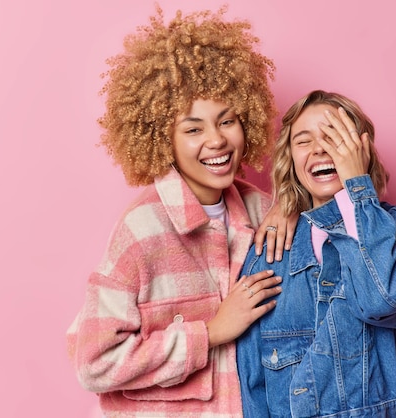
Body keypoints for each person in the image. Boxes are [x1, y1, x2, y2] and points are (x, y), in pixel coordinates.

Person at [66, 6, 288, 417]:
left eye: (228, 121)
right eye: (193, 129)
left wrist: (290, 206)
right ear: (160, 138)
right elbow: (93, 363)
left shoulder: (265, 211)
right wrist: (211, 332)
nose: (217, 141)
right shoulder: (141, 229)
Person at [236, 90, 396, 417]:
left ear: (361, 149)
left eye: (335, 137)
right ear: (290, 159)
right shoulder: (271, 252)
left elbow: (381, 297)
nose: (320, 148)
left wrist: (356, 189)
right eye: (303, 141)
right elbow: (253, 383)